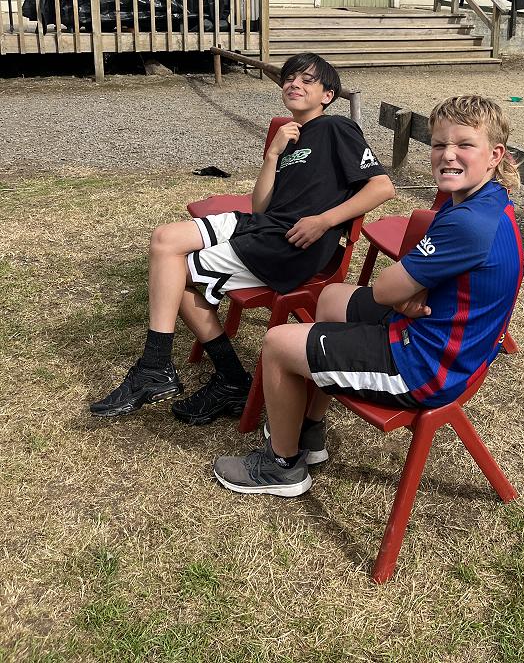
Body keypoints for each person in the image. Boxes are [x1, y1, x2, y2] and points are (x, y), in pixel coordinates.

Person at [213, 94, 524, 497]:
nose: (448, 154)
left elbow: (385, 288)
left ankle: (282, 466)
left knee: (277, 344)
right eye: (439, 144)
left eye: (464, 145)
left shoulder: (469, 223)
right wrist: (413, 287)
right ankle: (309, 431)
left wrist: (403, 289)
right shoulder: (484, 199)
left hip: (424, 366)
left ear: (495, 155)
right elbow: (421, 279)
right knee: (330, 297)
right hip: (438, 332)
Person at [90, 52, 394, 425]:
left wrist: (324, 221)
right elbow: (261, 205)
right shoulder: (290, 137)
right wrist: (273, 154)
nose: (294, 84)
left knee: (175, 275)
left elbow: (382, 187)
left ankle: (195, 373)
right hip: (262, 224)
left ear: (327, 95)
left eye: (307, 80)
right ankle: (165, 368)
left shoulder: (336, 128)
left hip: (290, 244)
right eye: (289, 78)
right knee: (165, 240)